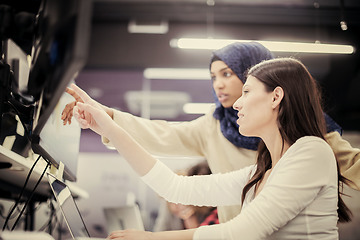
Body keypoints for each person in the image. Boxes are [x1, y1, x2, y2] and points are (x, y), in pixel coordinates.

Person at [62, 42, 360, 224]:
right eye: (213, 76)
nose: (217, 84)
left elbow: (353, 166)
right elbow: (162, 138)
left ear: (268, 85)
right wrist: (105, 117)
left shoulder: (310, 140)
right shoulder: (216, 127)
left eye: (228, 74)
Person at [153, 161, 219, 231]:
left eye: (179, 199)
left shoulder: (207, 209)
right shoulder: (167, 206)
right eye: (171, 201)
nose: (175, 205)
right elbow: (159, 232)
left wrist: (191, 221)